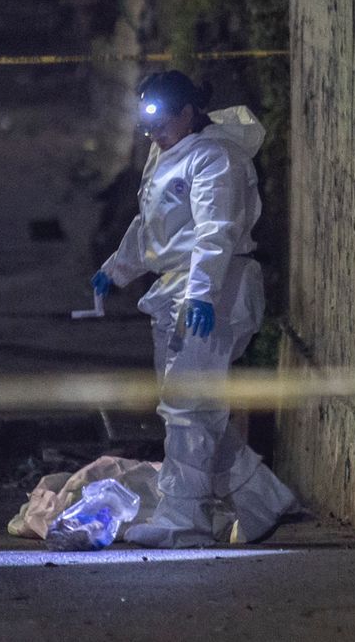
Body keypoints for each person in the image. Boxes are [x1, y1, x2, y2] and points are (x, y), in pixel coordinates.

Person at [91, 71, 299, 547]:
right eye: (148, 126)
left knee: (189, 407)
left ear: (188, 113)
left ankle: (183, 519)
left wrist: (202, 294)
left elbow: (215, 232)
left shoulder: (215, 158)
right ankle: (261, 499)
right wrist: (116, 270)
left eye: (161, 123)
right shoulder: (167, 155)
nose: (153, 134)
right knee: (190, 406)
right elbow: (151, 227)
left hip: (212, 293)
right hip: (178, 293)